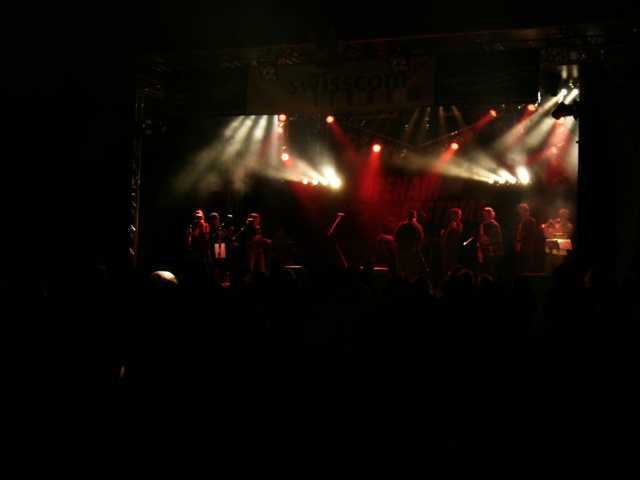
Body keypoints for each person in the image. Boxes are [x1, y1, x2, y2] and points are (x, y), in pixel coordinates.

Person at [394, 210, 425, 281]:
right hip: (412, 254)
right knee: (411, 275)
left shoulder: (402, 226)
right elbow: (420, 241)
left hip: (402, 253)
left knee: (402, 275)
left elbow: (396, 240)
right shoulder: (417, 227)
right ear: (415, 217)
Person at [542, 208, 574, 272]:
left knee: (558, 270)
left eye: (563, 215)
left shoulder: (569, 226)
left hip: (560, 253)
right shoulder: (556, 225)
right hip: (551, 251)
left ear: (567, 216)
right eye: (560, 215)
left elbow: (565, 236)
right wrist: (547, 225)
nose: (561, 217)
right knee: (548, 270)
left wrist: (555, 226)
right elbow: (547, 235)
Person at [477, 207, 503, 279]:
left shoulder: (494, 225)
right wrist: (479, 250)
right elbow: (480, 239)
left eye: (487, 214)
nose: (485, 216)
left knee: (491, 271)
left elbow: (494, 239)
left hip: (492, 252)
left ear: (491, 215)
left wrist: (485, 240)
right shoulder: (482, 224)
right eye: (484, 214)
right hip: (484, 251)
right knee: (484, 271)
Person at [515, 203, 537, 274]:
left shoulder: (531, 221)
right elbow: (517, 232)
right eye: (520, 211)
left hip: (527, 246)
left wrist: (522, 241)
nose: (520, 212)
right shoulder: (519, 220)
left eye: (521, 210)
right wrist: (517, 242)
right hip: (520, 246)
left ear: (526, 211)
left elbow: (532, 235)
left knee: (526, 266)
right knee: (520, 266)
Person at [442, 208, 463, 276]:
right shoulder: (447, 224)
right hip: (448, 247)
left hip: (454, 247)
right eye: (459, 215)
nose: (460, 216)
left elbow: (459, 234)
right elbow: (444, 236)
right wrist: (449, 228)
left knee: (453, 263)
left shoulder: (459, 224)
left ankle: (452, 276)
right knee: (446, 263)